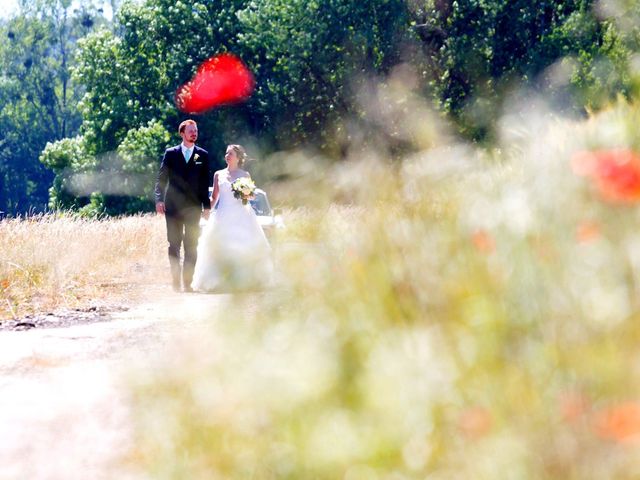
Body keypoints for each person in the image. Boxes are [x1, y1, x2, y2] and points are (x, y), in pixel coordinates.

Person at [192, 144, 272, 291]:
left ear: (238, 158)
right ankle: (218, 282)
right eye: (226, 153)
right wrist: (207, 209)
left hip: (242, 216)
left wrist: (245, 192)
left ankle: (245, 282)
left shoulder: (245, 175)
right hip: (223, 215)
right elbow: (215, 196)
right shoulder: (218, 174)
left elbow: (250, 197)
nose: (227, 156)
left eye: (231, 154)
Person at [155, 119, 211, 292]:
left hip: (194, 207)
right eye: (191, 130)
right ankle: (175, 282)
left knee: (191, 245)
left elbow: (204, 182)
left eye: (196, 130)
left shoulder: (202, 155)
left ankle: (187, 283)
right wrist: (159, 199)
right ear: (182, 133)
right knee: (174, 244)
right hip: (172, 207)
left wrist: (206, 206)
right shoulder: (171, 153)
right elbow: (162, 178)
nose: (194, 133)